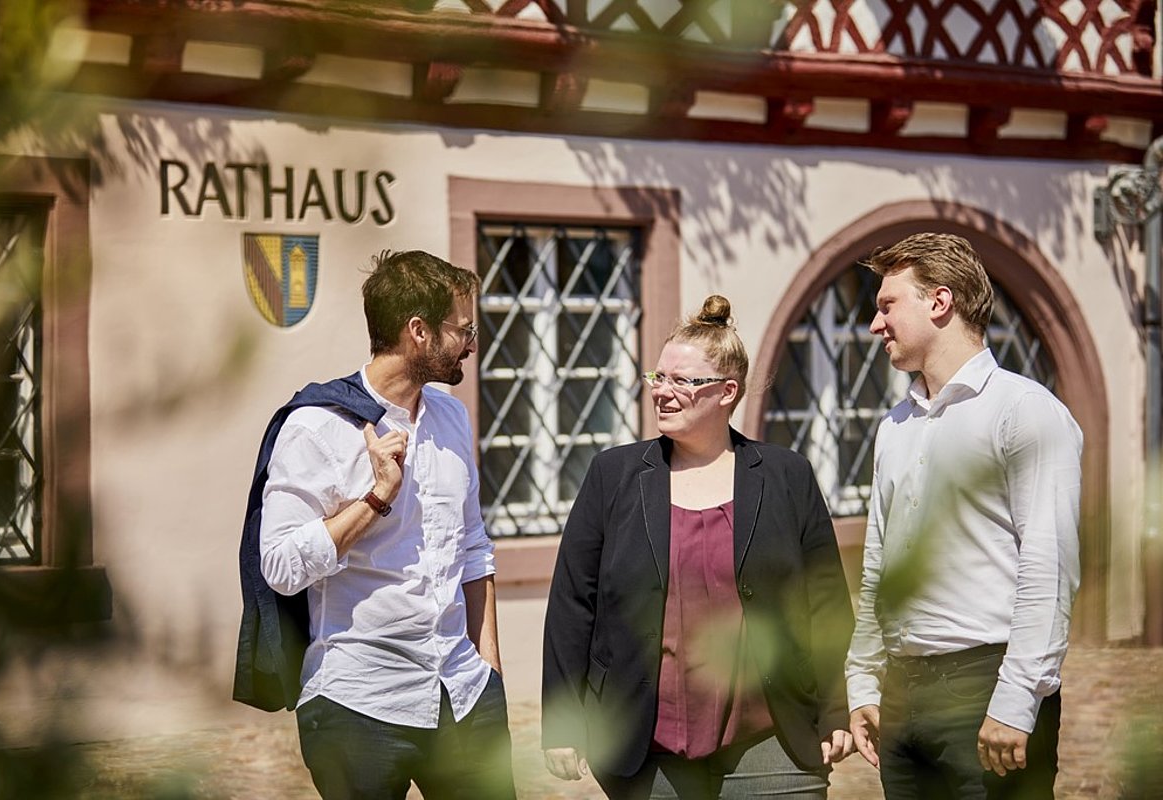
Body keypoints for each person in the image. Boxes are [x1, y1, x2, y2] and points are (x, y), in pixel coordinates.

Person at [541, 295, 856, 799]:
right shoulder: (613, 475)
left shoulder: (786, 475)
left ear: (727, 392)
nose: (661, 392)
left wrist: (835, 706)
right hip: (646, 742)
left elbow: (826, 602)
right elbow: (573, 602)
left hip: (773, 735)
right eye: (657, 378)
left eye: (681, 381)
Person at [254, 250, 517, 799]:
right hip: (360, 703)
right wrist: (375, 498)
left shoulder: (452, 416)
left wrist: (488, 668)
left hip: (463, 695)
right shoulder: (317, 426)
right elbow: (279, 566)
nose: (472, 344)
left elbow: (474, 547)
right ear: (418, 331)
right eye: (462, 330)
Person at [844, 233, 1083, 799]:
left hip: (986, 688)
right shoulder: (893, 426)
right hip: (903, 696)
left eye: (886, 306)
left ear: (940, 302)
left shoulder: (1026, 412)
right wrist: (863, 681)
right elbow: (880, 563)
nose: (875, 326)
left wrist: (1016, 700)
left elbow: (1047, 566)